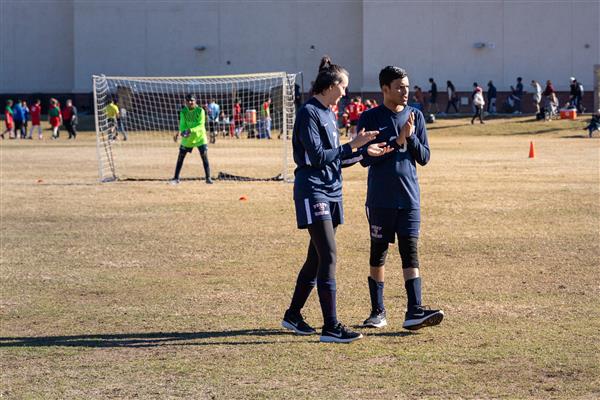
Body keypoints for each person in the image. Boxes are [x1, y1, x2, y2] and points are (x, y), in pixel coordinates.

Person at [281, 56, 381, 343]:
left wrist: (363, 154)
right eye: (344, 87)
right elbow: (316, 158)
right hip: (313, 190)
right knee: (329, 255)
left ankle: (292, 315)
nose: (346, 93)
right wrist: (352, 145)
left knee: (316, 257)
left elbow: (333, 160)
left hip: (332, 190)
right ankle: (331, 327)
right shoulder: (309, 113)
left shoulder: (329, 112)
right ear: (332, 85)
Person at [357, 66, 444, 330]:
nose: (405, 91)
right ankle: (377, 312)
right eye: (399, 87)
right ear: (385, 89)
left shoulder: (416, 115)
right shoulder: (370, 117)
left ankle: (414, 310)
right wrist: (398, 138)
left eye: (407, 86)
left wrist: (412, 136)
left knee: (411, 253)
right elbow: (362, 158)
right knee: (378, 254)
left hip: (408, 199)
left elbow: (425, 157)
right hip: (380, 199)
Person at [170, 94, 213, 185]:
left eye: (192, 100)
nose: (190, 102)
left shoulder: (200, 111)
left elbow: (201, 125)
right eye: (188, 100)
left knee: (204, 157)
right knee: (180, 157)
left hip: (200, 137)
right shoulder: (183, 112)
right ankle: (176, 178)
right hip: (188, 139)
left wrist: (190, 130)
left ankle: (208, 178)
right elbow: (182, 124)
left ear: (195, 101)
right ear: (185, 102)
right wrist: (182, 132)